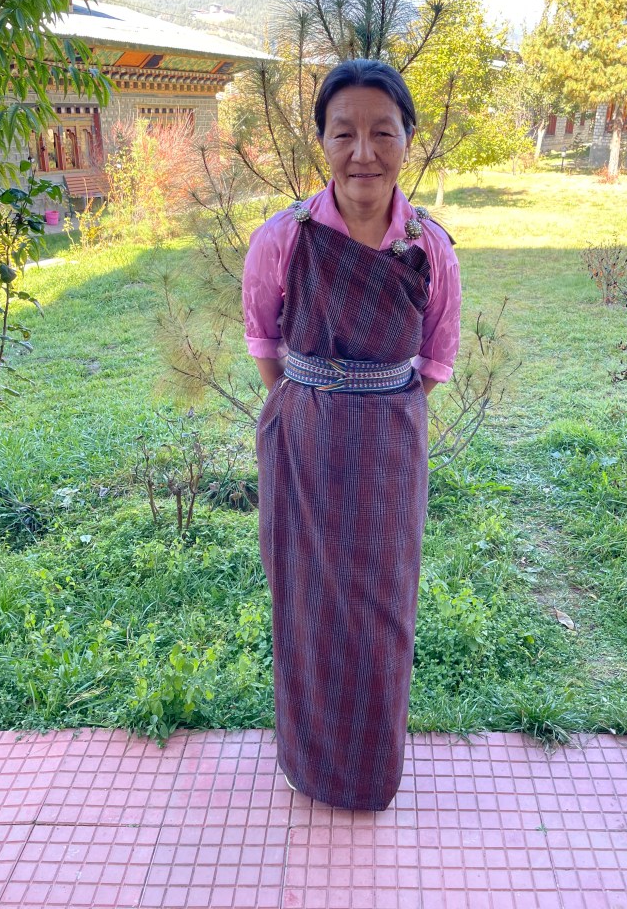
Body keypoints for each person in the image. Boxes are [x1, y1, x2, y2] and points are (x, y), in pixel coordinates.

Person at [242, 58, 462, 811]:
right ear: (322, 142)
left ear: (407, 140)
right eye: (344, 133)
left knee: (382, 607)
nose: (363, 152)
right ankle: (307, 760)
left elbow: (434, 359)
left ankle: (369, 772)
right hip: (301, 444)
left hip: (390, 449)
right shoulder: (283, 238)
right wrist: (318, 406)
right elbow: (265, 346)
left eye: (382, 132)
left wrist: (374, 408)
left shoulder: (429, 248)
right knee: (303, 600)